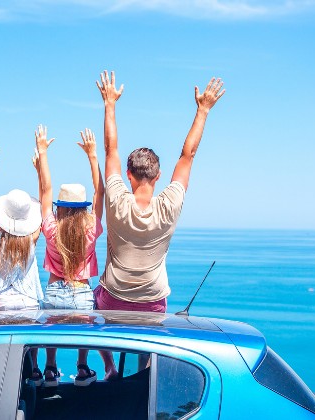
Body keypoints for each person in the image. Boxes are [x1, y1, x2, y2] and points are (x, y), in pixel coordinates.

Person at [93, 70, 226, 374]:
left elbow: (110, 149)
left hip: (113, 300)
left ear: (129, 175)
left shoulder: (116, 201)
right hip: (152, 302)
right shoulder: (169, 206)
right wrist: (203, 110)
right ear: (158, 177)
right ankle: (144, 373)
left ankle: (111, 367)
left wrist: (109, 104)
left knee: (91, 303)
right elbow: (188, 155)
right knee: (148, 345)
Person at [33, 125, 105, 387]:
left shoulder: (51, 228)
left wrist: (42, 153)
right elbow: (101, 194)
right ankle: (83, 368)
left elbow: (45, 191)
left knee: (50, 333)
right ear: (82, 208)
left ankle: (50, 370)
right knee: (83, 335)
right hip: (82, 291)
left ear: (60, 208)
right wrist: (92, 155)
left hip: (54, 290)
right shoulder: (90, 229)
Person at [0, 142, 44, 383]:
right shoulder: (33, 237)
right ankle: (35, 368)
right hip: (28, 300)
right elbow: (45, 198)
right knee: (30, 345)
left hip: (3, 301)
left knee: (5, 349)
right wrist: (40, 169)